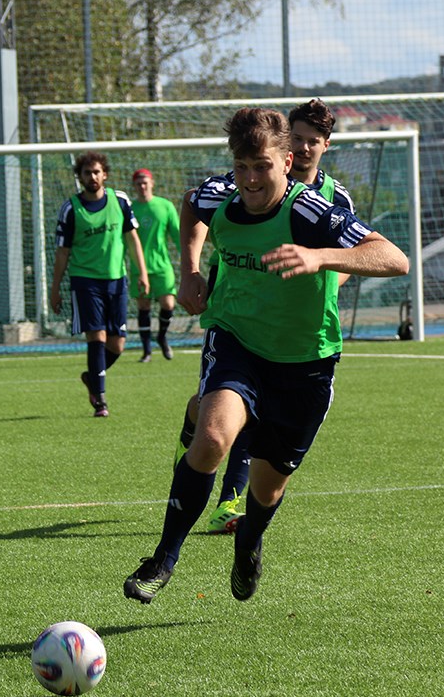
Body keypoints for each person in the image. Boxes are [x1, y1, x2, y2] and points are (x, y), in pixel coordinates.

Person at [123, 107, 408, 604]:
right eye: (242, 167)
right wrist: (190, 269)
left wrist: (319, 256)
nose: (251, 179)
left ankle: (248, 545)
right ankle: (163, 559)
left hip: (305, 360)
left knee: (268, 486)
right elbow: (192, 205)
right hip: (236, 339)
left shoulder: (311, 211)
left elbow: (393, 257)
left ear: (287, 160)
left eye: (262, 167)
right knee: (212, 439)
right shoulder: (223, 193)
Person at [174, 97, 357, 534]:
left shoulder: (332, 199)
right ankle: (226, 496)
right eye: (298, 137)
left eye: (314, 141)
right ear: (285, 143)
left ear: (325, 146)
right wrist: (192, 271)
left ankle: (232, 501)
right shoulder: (248, 177)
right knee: (226, 415)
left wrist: (318, 273)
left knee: (246, 420)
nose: (306, 147)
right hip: (237, 314)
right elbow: (195, 204)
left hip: (295, 332)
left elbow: (354, 255)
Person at [49, 152, 148, 418]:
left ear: (105, 174)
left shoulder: (120, 200)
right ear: (79, 177)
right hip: (85, 281)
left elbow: (133, 239)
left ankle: (92, 377)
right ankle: (101, 401)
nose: (92, 177)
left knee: (118, 345)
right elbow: (62, 252)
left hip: (117, 280)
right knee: (97, 336)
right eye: (86, 173)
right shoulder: (71, 209)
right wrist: (55, 287)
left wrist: (143, 273)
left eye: (96, 172)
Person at [128, 169, 179, 362]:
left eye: (145, 182)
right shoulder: (130, 209)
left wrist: (188, 259)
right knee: (144, 306)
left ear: (152, 182)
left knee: (168, 303)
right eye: (138, 183)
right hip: (138, 268)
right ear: (134, 186)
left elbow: (177, 234)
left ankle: (162, 336)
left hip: (162, 266)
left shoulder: (165, 206)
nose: (142, 186)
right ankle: (147, 350)